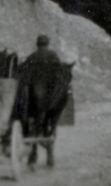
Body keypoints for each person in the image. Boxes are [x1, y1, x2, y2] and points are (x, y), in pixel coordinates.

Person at [15, 35, 72, 164]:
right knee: (51, 124)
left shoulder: (32, 56)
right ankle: (50, 156)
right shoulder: (53, 56)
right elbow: (61, 74)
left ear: (37, 44)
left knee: (34, 124)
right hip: (52, 103)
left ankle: (33, 154)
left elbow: (20, 71)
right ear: (47, 44)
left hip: (32, 102)